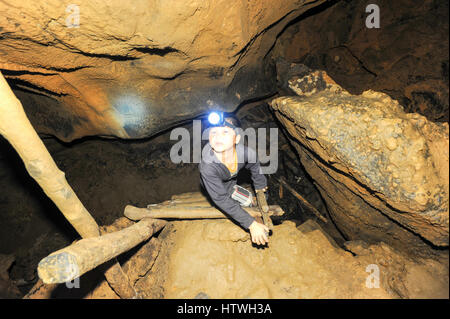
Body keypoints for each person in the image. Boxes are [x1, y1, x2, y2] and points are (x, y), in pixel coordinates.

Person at [199, 113, 270, 246]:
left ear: (237, 139)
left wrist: (262, 191)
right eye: (213, 132)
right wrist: (251, 224)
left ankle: (242, 201)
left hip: (230, 184)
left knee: (249, 200)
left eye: (225, 131)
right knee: (225, 203)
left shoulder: (246, 154)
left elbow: (255, 168)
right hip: (215, 187)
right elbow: (221, 198)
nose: (218, 136)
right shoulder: (207, 166)